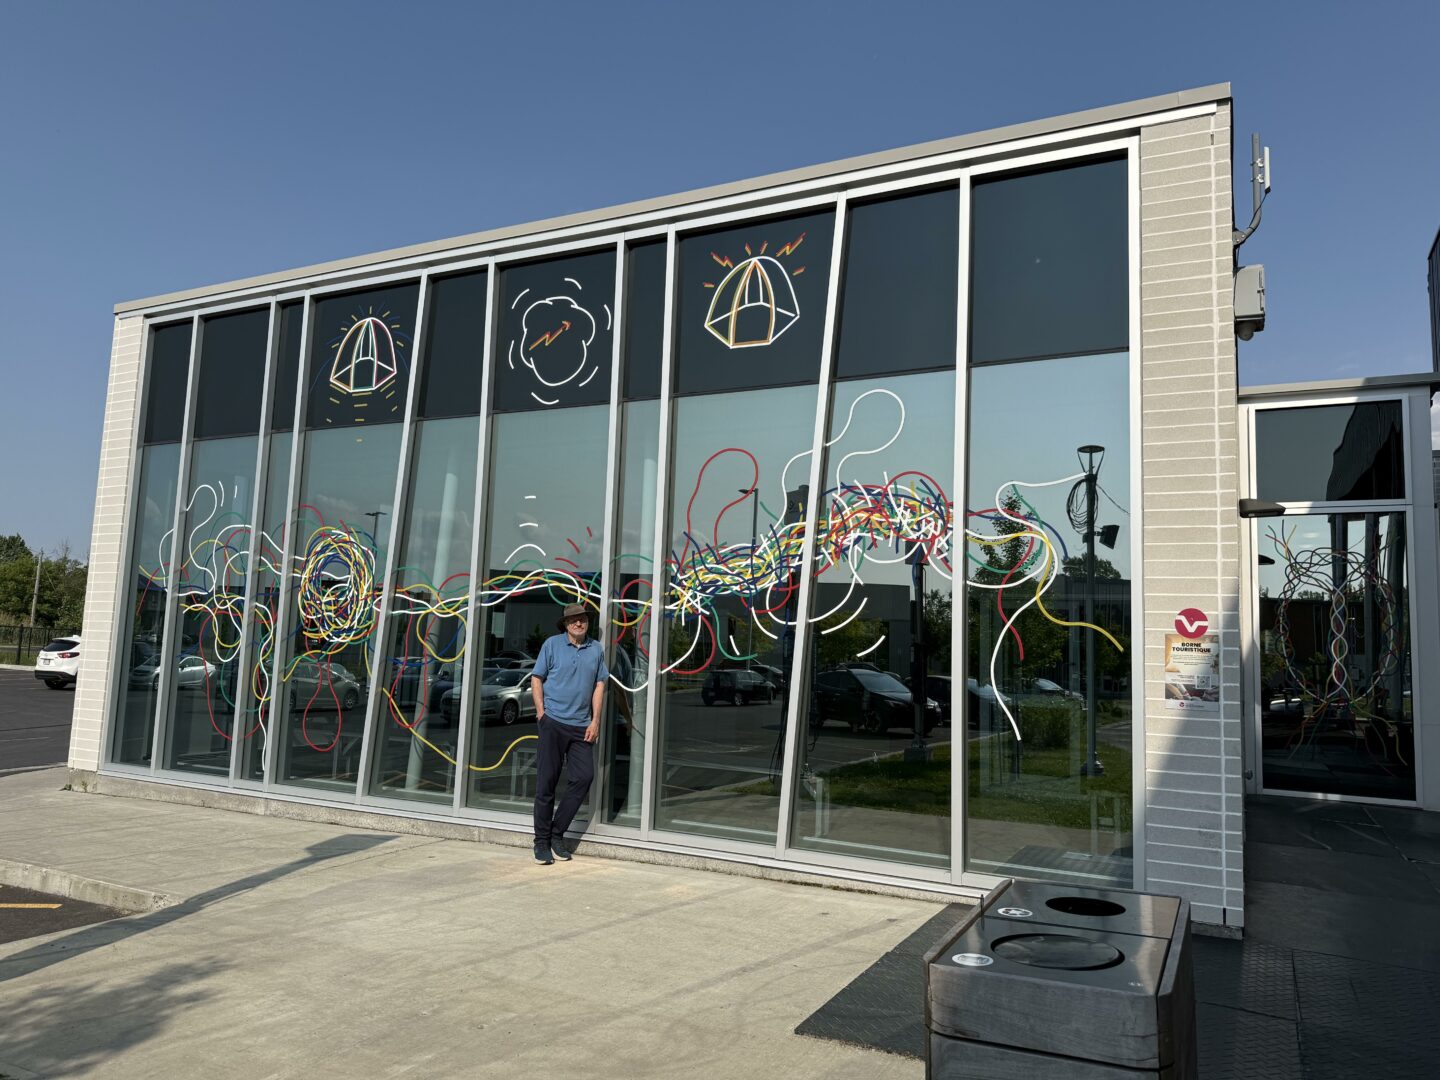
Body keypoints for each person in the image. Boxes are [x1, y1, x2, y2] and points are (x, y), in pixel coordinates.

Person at [529, 602, 607, 865]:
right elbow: (536, 678)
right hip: (553, 723)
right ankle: (541, 843)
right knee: (546, 783)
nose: (578, 623)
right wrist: (542, 714)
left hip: (581, 726)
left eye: (582, 619)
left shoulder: (596, 649)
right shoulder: (551, 645)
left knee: (584, 777)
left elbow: (599, 685)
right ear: (565, 624)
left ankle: (556, 834)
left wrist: (595, 721)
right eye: (573, 620)